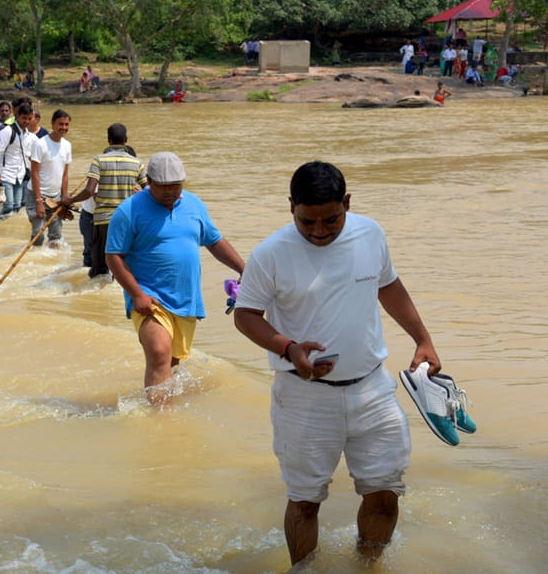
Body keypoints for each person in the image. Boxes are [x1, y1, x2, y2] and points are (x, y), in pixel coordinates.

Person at [232, 161, 441, 566]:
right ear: (290, 207)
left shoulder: (370, 234)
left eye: (331, 219)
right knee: (305, 502)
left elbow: (388, 285)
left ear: (347, 202)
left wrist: (423, 339)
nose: (319, 231)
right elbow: (246, 315)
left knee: (385, 495)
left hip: (373, 388)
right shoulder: (270, 254)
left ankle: (368, 566)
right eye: (306, 221)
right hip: (303, 396)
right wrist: (289, 348)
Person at [106, 152, 245, 405]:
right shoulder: (128, 211)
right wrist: (137, 294)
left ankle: (166, 411)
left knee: (172, 363)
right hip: (149, 296)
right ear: (149, 181)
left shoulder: (194, 205)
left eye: (176, 185)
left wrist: (245, 269)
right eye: (163, 186)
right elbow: (113, 256)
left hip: (185, 298)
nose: (170, 191)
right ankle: (159, 419)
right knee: (159, 352)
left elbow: (214, 241)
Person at [62, 123, 146, 278]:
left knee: (99, 269)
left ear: (109, 140)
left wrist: (70, 199)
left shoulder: (98, 160)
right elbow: (149, 191)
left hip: (103, 221)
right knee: (124, 266)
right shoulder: (137, 163)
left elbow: (89, 191)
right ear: (126, 139)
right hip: (126, 221)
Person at [25, 109, 73, 249]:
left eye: (66, 124)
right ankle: (34, 258)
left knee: (56, 236)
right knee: (38, 235)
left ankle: (52, 260)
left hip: (56, 197)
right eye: (60, 124)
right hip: (37, 195)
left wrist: (64, 197)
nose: (63, 127)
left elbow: (65, 174)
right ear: (52, 124)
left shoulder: (67, 145)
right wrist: (39, 201)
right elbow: (34, 173)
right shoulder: (40, 144)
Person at [0, 103, 35, 215]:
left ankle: (7, 225)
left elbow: (28, 155)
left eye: (29, 118)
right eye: (24, 118)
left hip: (20, 175)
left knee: (17, 206)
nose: (26, 121)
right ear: (17, 116)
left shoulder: (28, 135)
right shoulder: (7, 131)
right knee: (9, 206)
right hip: (6, 174)